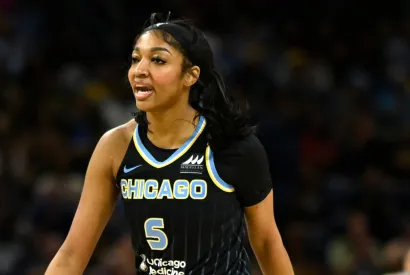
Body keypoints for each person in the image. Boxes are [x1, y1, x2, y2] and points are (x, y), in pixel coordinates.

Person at [45, 13, 294, 275]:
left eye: (158, 60)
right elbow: (71, 254)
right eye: (135, 59)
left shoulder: (234, 146)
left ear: (190, 76)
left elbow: (266, 242)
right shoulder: (114, 146)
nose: (140, 70)